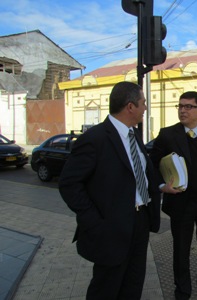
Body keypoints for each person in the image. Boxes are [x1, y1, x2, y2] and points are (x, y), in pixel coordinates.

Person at [59, 81, 161, 299]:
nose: (146, 108)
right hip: (110, 228)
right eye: (143, 103)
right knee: (106, 288)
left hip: (139, 221)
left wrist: (160, 188)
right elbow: (69, 184)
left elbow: (139, 175)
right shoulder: (94, 139)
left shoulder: (135, 136)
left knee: (133, 284)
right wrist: (95, 222)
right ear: (130, 106)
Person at [149, 91, 197, 300]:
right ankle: (182, 291)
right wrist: (161, 185)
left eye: (188, 106)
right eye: (180, 106)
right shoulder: (168, 134)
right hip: (181, 203)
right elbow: (151, 165)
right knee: (181, 251)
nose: (183, 110)